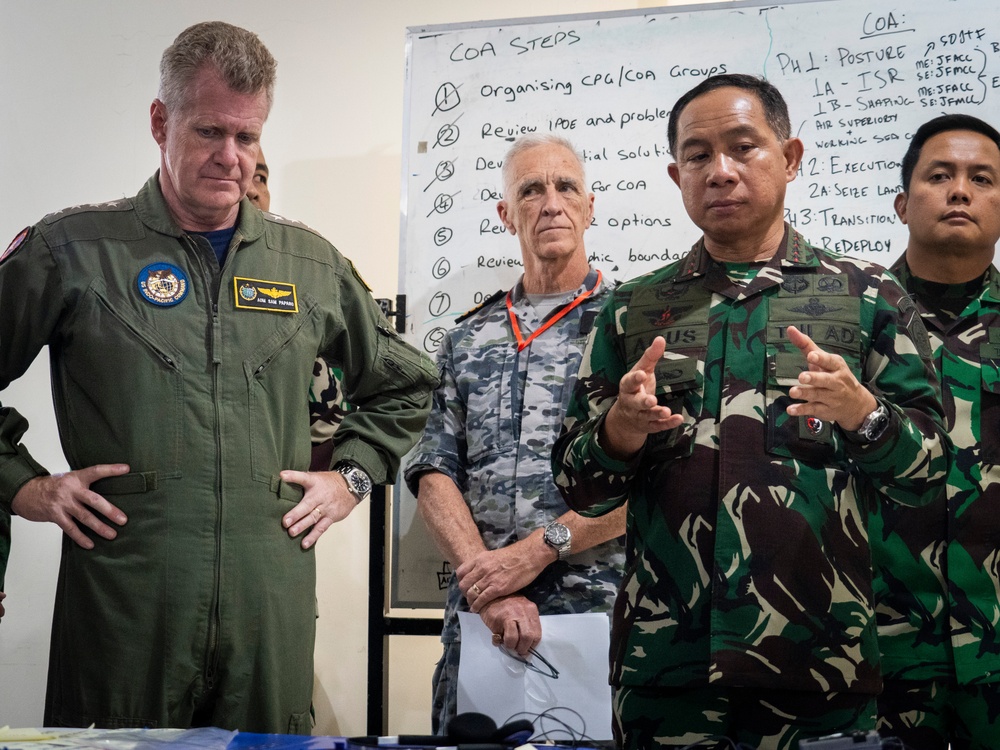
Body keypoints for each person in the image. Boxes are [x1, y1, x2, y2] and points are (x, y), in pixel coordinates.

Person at [0, 21, 437, 732]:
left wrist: (351, 477)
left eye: (249, 137)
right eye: (209, 132)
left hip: (268, 602)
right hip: (127, 600)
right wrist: (23, 485)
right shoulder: (73, 250)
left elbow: (407, 383)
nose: (230, 158)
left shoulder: (310, 266)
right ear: (159, 121)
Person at [551, 73, 950, 750]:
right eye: (699, 157)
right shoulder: (633, 311)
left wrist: (863, 414)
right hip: (667, 671)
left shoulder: (866, 297)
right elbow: (576, 483)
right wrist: (617, 433)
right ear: (677, 174)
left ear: (789, 158)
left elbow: (930, 469)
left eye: (743, 147)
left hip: (819, 664)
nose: (721, 171)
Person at [404, 134, 626, 733]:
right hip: (483, 626)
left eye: (566, 187)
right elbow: (432, 473)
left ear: (590, 206)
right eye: (531, 190)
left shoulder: (629, 327)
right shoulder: (466, 338)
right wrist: (490, 583)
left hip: (601, 621)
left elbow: (654, 480)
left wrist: (534, 553)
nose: (550, 203)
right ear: (507, 214)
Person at [872, 114, 1000, 750]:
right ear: (902, 202)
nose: (960, 191)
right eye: (940, 175)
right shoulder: (849, 324)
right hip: (878, 646)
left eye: (982, 179)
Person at [242, 147, 353, 471]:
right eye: (242, 176)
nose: (252, 190)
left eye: (260, 177)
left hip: (286, 498)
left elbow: (383, 391)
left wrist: (344, 481)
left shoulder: (307, 274)